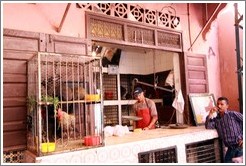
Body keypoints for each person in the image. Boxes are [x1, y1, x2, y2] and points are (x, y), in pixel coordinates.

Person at [205, 96, 243, 163]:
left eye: (222, 104)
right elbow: (208, 126)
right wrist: (210, 113)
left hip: (240, 147)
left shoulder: (233, 114)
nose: (219, 106)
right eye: (218, 104)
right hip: (230, 149)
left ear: (227, 106)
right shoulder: (216, 120)